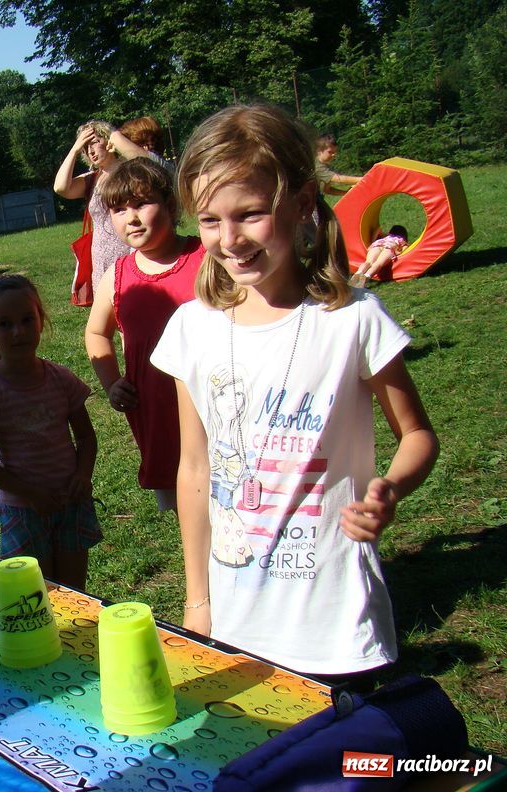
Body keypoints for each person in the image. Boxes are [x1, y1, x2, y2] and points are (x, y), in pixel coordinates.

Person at [151, 104, 438, 682]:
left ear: (304, 202)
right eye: (209, 220)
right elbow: (194, 468)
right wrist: (198, 598)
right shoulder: (191, 328)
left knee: (342, 770)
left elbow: (418, 435)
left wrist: (391, 486)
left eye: (250, 214)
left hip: (334, 626)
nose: (228, 240)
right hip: (233, 620)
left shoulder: (354, 321)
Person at [84, 158, 203, 511]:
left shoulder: (205, 258)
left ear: (170, 204)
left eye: (141, 204)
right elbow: (95, 332)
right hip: (156, 411)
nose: (130, 217)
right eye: (118, 209)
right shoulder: (117, 275)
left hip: (211, 400)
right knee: (185, 501)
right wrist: (111, 382)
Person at [0, 275, 100, 590]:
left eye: (28, 319)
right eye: (5, 324)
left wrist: (83, 474)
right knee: (36, 595)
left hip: (70, 503)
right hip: (24, 513)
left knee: (72, 594)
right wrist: (31, 494)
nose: (18, 331)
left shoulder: (61, 379)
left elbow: (86, 437)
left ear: (42, 320)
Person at [54, 119, 150, 291]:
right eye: (86, 147)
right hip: (100, 260)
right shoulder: (91, 179)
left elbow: (147, 162)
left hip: (130, 254)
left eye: (94, 142)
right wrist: (75, 149)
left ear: (108, 141)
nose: (90, 151)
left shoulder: (130, 172)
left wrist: (115, 137)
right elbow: (60, 187)